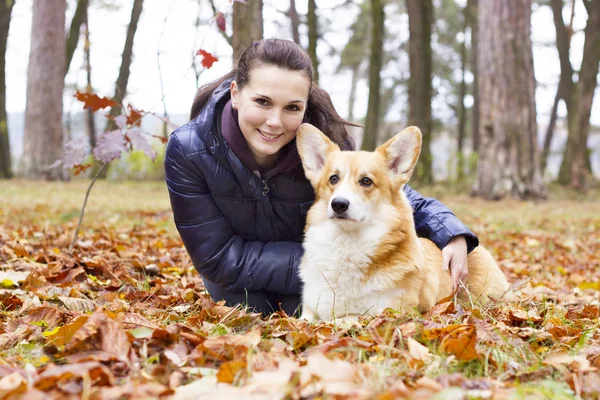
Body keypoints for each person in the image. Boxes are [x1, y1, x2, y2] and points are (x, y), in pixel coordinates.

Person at [164, 39, 477, 316]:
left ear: (304, 107)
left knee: (312, 310)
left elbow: (387, 193)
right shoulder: (190, 150)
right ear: (236, 93)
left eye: (292, 107)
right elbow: (218, 257)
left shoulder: (327, 143)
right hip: (252, 272)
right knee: (251, 308)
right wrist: (327, 266)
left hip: (323, 269)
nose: (274, 122)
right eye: (262, 102)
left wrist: (451, 233)